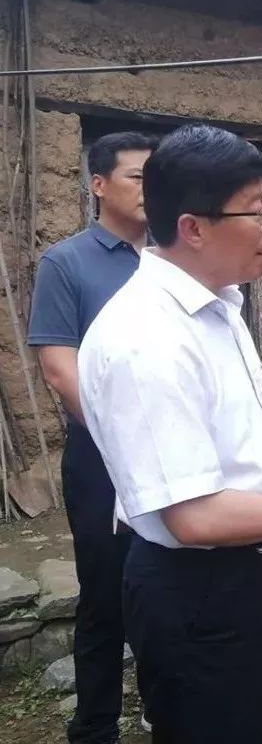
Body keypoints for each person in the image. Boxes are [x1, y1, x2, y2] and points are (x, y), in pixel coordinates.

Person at [77, 124, 262, 744]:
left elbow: (249, 414)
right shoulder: (147, 339)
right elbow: (192, 516)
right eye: (256, 211)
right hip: (201, 592)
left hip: (248, 570)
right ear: (193, 227)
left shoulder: (219, 301)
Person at [28, 130, 158, 743]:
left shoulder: (170, 261)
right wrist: (121, 435)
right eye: (136, 176)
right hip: (102, 461)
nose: (147, 188)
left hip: (170, 456)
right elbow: (60, 368)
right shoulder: (67, 262)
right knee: (103, 596)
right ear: (99, 185)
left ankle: (163, 704)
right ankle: (96, 724)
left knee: (163, 587)